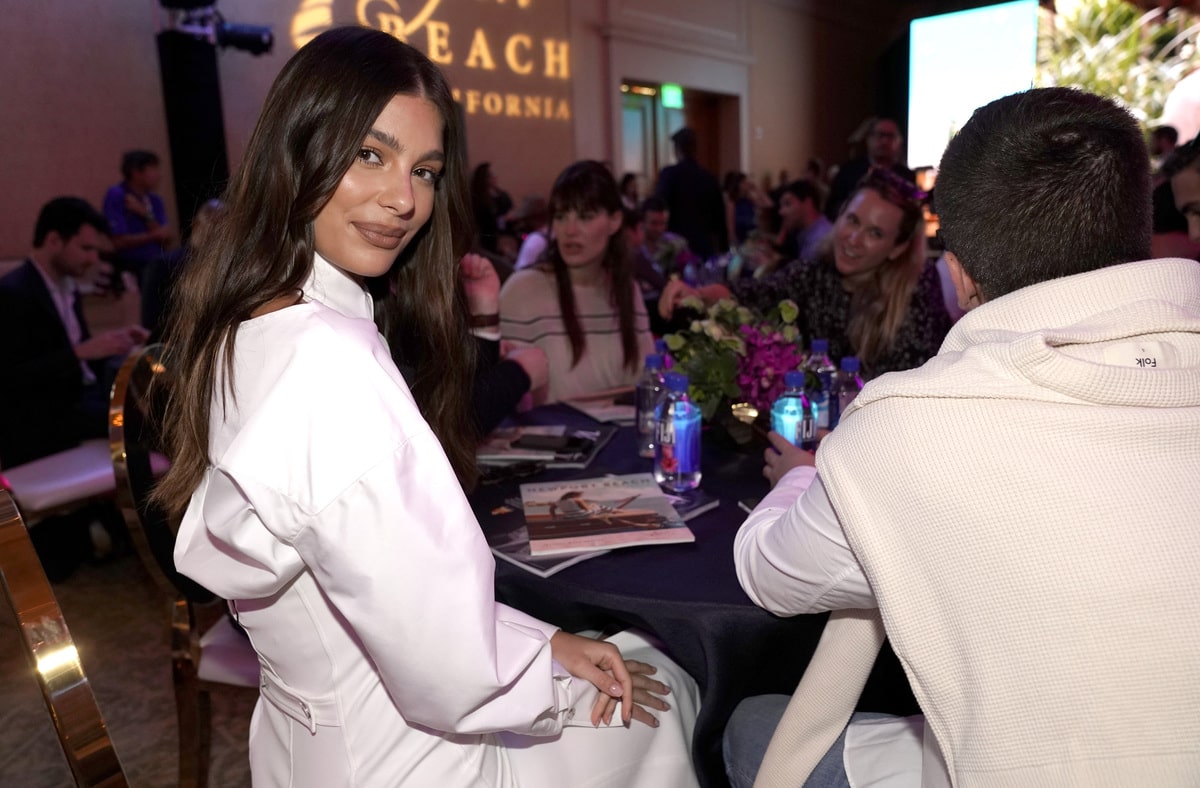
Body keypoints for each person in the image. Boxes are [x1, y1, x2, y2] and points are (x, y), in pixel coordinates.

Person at [154, 28, 698, 787]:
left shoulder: (252, 318)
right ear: (297, 151)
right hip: (417, 759)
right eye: (369, 155)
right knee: (667, 692)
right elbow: (449, 670)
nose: (404, 199)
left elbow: (392, 595)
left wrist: (544, 645)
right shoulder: (328, 359)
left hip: (302, 747)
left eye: (425, 171)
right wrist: (548, 672)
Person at [727, 87, 1200, 786]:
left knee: (748, 730)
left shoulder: (913, 427)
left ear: (958, 273)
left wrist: (801, 474)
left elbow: (768, 575)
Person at [660, 168, 951, 380]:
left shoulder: (917, 291)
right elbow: (753, 293)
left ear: (897, 248)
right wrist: (696, 294)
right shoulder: (816, 272)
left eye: (874, 233)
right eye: (852, 220)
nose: (853, 239)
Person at [0, 196, 148, 469]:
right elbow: (10, 379)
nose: (93, 259)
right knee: (146, 421)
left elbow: (78, 356)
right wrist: (81, 352)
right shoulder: (12, 292)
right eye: (85, 248)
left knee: (152, 405)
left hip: (80, 403)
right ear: (54, 240)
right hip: (45, 419)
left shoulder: (68, 287)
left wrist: (117, 342)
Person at [500, 161, 655, 404]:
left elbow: (645, 381)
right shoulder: (523, 290)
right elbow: (504, 397)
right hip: (549, 428)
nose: (569, 230)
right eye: (561, 216)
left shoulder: (626, 289)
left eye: (585, 216)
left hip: (621, 425)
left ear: (615, 221)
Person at [102, 150, 175, 285]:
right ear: (136, 172)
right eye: (153, 169)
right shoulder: (118, 195)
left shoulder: (154, 199)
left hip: (158, 262)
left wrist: (145, 213)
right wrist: (153, 236)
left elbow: (167, 238)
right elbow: (117, 242)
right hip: (132, 265)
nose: (159, 175)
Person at [654, 127, 728, 258]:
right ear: (695, 149)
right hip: (704, 246)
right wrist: (724, 251)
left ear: (677, 149)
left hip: (675, 248)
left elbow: (659, 206)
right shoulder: (709, 178)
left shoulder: (669, 175)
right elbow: (720, 221)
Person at [824, 118, 916, 221]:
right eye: (880, 135)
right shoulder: (848, 171)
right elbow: (831, 209)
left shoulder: (906, 176)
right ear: (868, 139)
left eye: (890, 136)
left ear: (899, 142)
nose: (884, 141)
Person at [773, 179, 831, 264]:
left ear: (808, 204)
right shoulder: (803, 232)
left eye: (788, 204)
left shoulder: (820, 242)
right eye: (781, 206)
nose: (781, 212)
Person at [471, 161, 515, 256]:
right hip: (490, 241)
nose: (495, 177)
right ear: (484, 178)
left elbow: (510, 210)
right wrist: (502, 220)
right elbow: (484, 223)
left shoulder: (503, 195)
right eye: (492, 174)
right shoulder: (478, 200)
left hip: (508, 235)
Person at [723, 170, 772, 246]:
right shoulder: (732, 202)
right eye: (744, 182)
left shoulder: (749, 199)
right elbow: (730, 229)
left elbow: (769, 204)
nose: (747, 184)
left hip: (752, 238)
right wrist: (735, 244)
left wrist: (756, 189)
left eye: (746, 182)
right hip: (739, 241)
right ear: (738, 185)